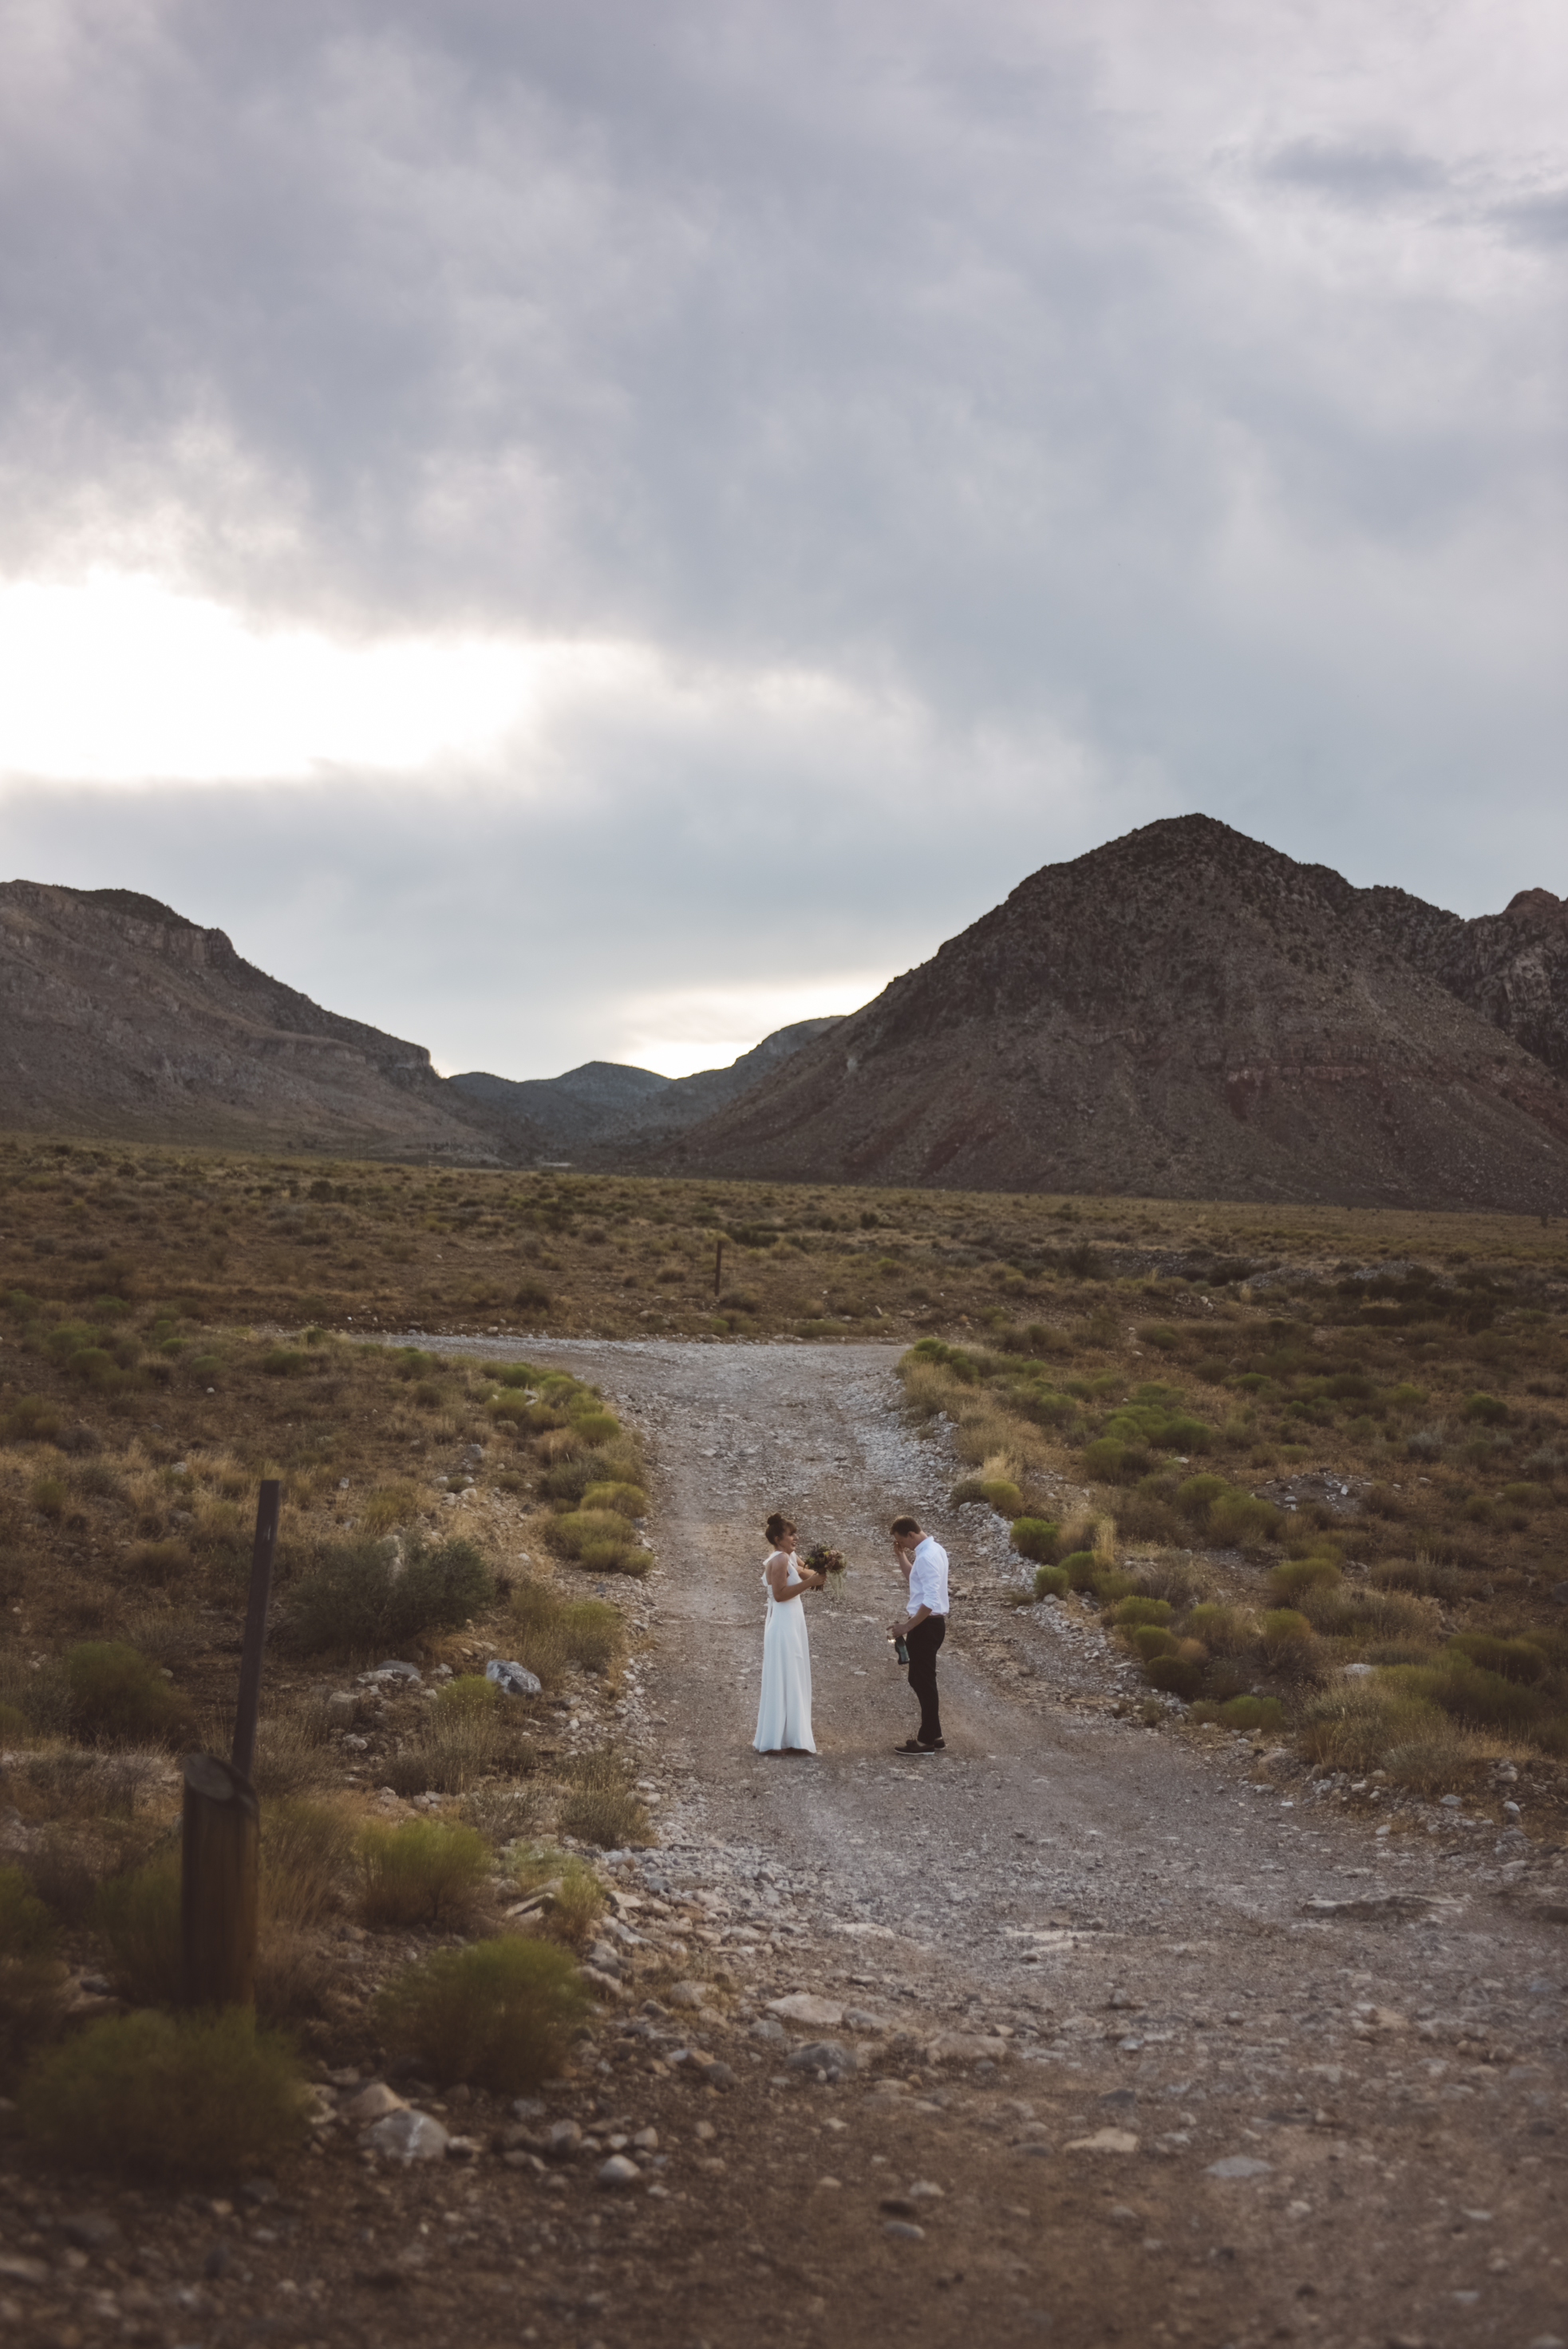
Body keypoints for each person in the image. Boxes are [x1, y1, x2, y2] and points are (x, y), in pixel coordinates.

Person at [753, 1511, 823, 1755]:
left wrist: (827, 1566)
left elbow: (808, 1571)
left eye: (795, 1533)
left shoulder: (790, 1556)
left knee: (793, 1675)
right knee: (784, 1676)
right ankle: (775, 1741)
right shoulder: (780, 1559)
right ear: (777, 1538)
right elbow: (780, 1595)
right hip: (782, 1622)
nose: (795, 1537)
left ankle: (793, 1738)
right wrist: (811, 1583)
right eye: (790, 1534)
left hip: (793, 1622)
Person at [888, 1514, 948, 1753]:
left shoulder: (928, 1557)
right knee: (920, 1679)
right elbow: (916, 1579)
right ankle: (936, 1735)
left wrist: (907, 1626)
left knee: (923, 1681)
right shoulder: (933, 1551)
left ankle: (926, 1741)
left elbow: (931, 1600)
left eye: (901, 1542)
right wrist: (900, 1556)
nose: (901, 1545)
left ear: (911, 1534)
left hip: (926, 1626)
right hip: (929, 1625)